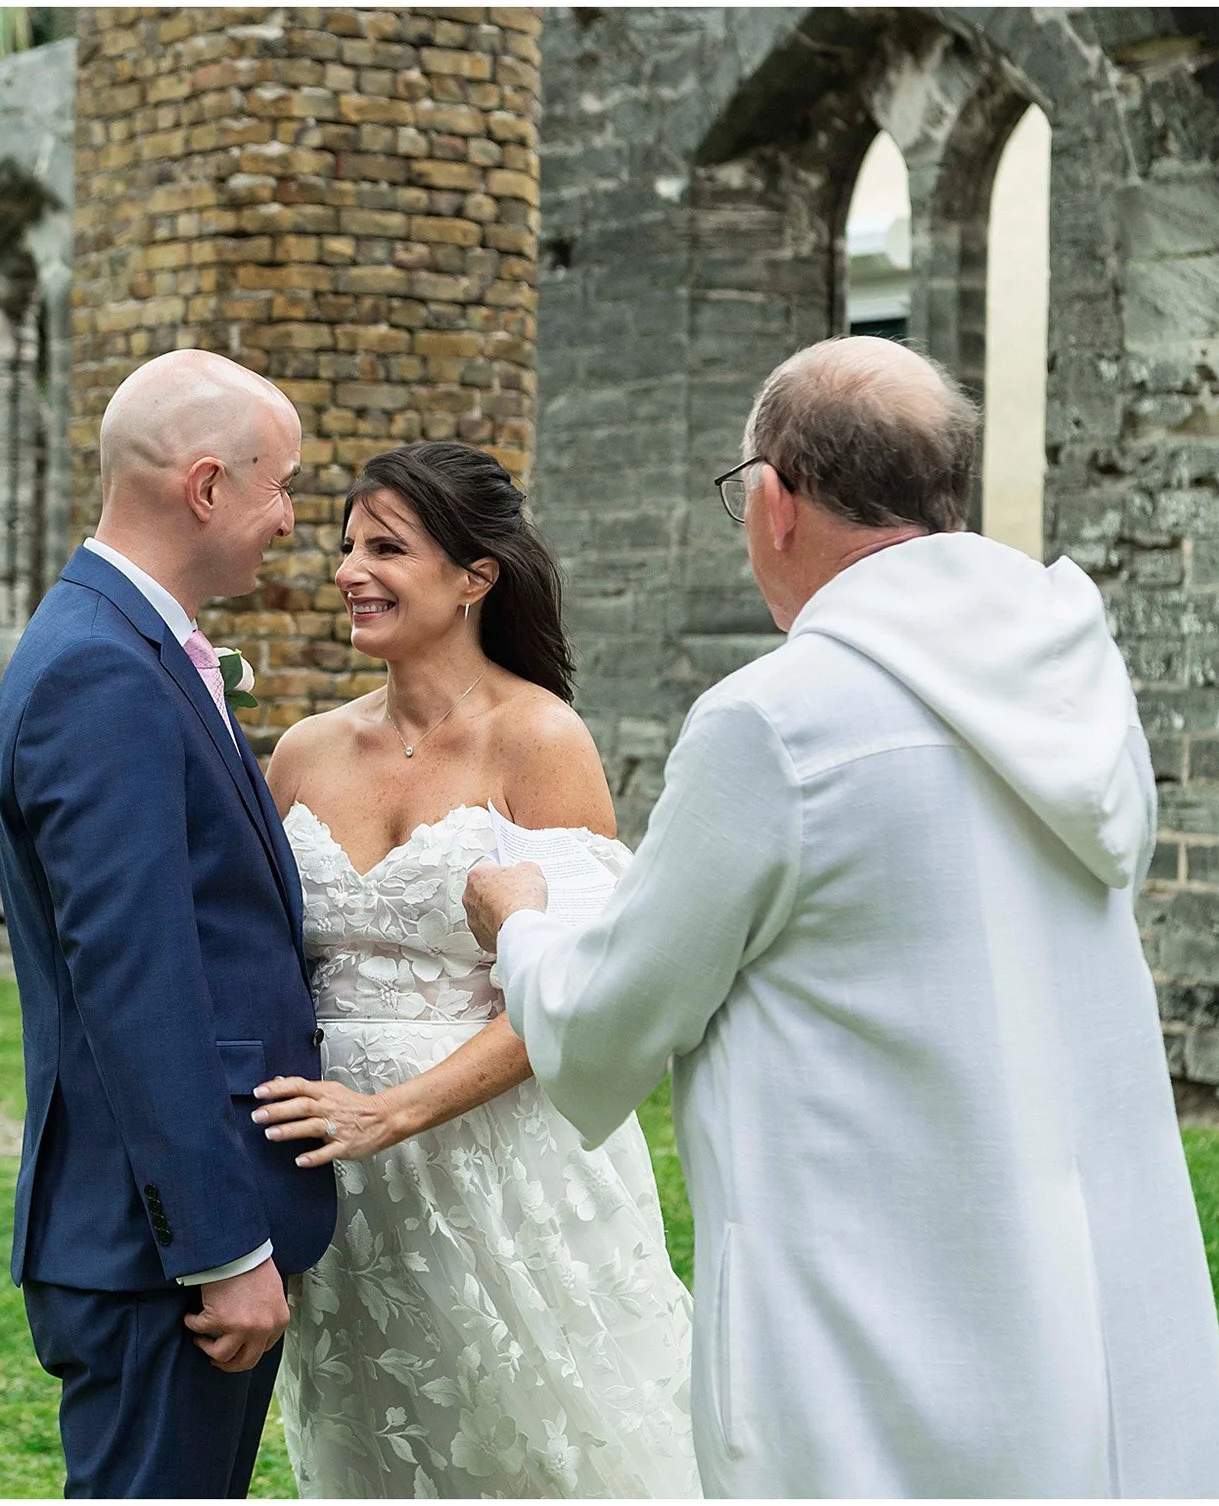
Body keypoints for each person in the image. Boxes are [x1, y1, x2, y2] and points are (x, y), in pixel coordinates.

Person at [466, 337, 1219, 1498]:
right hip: (1081, 1272)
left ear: (775, 501)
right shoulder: (1075, 673)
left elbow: (612, 1018)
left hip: (867, 1299)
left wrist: (520, 920)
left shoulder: (773, 722)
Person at [249, 441, 698, 1497]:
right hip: (342, 1188)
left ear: (473, 577)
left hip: (503, 1173)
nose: (352, 570)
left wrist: (393, 1112)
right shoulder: (305, 751)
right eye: (348, 545)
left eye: (387, 548)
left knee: (545, 1449)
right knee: (381, 1453)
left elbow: (578, 998)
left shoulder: (541, 740)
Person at [0, 348, 336, 1497]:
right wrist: (222, 1248)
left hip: (162, 1248)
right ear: (205, 487)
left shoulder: (124, 646)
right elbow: (137, 987)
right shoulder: (104, 674)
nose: (290, 519)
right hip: (162, 1260)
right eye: (280, 486)